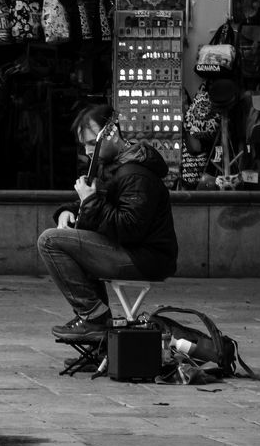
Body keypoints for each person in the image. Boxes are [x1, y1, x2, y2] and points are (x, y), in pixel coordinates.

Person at [37, 104, 178, 342]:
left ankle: (93, 317)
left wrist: (90, 201)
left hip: (145, 257)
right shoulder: (113, 165)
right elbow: (100, 201)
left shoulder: (135, 173)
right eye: (84, 145)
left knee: (49, 241)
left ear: (111, 134)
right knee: (63, 240)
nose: (87, 151)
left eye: (93, 143)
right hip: (131, 250)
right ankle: (98, 333)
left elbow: (129, 228)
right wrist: (67, 212)